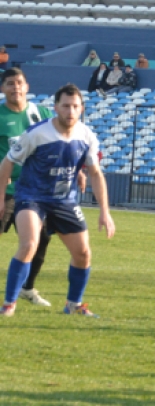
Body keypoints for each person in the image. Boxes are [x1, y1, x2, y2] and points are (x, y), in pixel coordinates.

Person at [0, 83, 115, 317]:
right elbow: (8, 161)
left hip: (64, 201)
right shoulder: (37, 133)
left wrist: (105, 211)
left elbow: (95, 173)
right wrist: (1, 196)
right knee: (29, 244)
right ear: (56, 107)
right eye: (65, 106)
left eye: (75, 106)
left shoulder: (87, 136)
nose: (70, 111)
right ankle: (8, 304)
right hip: (32, 197)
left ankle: (73, 305)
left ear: (82, 108)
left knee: (83, 253)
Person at [0, 69, 55, 308]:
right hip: (6, 190)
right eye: (10, 83)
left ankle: (27, 288)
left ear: (27, 86)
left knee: (40, 240)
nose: (16, 87)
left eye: (19, 83)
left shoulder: (41, 114)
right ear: (3, 88)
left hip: (35, 191)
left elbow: (57, 144)